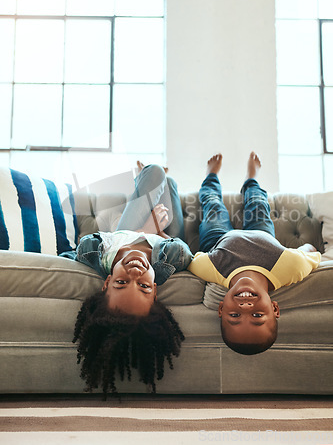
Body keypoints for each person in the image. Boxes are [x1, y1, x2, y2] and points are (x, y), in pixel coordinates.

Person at [67, 162, 193, 397]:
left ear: (106, 284)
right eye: (143, 286)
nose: (134, 274)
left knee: (155, 172)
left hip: (124, 234)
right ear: (155, 291)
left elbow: (85, 243)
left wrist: (147, 228)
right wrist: (155, 232)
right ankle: (156, 185)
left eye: (121, 283)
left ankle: (146, 180)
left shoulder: (92, 251)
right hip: (164, 236)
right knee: (170, 185)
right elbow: (182, 249)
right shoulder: (171, 259)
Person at [188, 152, 321, 355]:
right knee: (259, 202)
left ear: (221, 309)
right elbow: (311, 252)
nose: (246, 306)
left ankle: (211, 175)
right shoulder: (291, 268)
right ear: (275, 309)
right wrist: (306, 251)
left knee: (212, 204)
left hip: (217, 240)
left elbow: (189, 259)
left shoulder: (211, 269)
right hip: (261, 233)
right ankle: (252, 178)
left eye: (234, 315)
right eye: (257, 315)